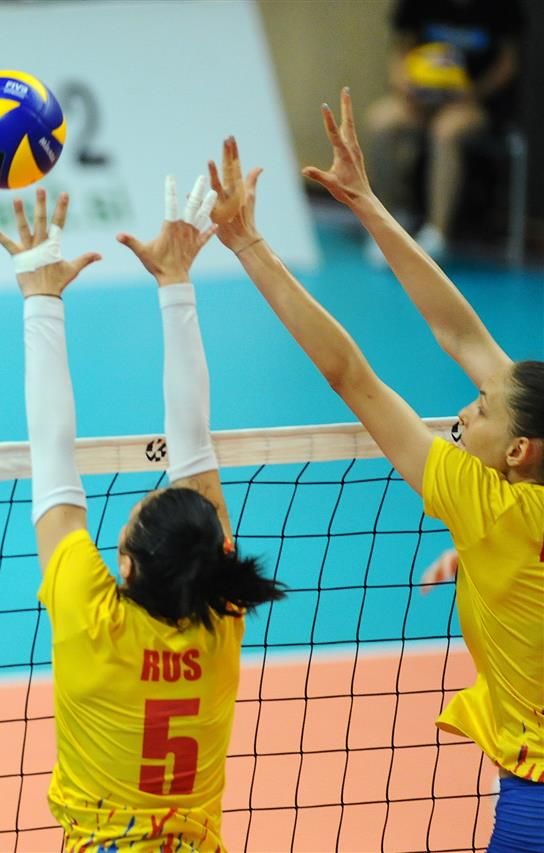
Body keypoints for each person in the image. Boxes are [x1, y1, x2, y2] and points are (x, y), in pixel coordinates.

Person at [214, 89, 543, 849]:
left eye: (481, 410)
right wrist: (365, 202)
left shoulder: (489, 506)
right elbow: (461, 334)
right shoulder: (521, 475)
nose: (462, 411)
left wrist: (250, 247)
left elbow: (353, 377)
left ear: (518, 452)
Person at [0, 186, 285, 850]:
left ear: (126, 563)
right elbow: (188, 452)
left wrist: (42, 294)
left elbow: (61, 447)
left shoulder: (103, 622)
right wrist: (173, 283)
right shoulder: (219, 615)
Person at [362, 0, 523, 262]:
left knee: (446, 131)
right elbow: (401, 49)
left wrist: (472, 92)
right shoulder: (417, 6)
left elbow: (508, 64)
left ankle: (436, 233)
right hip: (421, 100)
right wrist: (405, 84)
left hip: (472, 102)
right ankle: (387, 222)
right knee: (381, 121)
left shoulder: (502, 8)